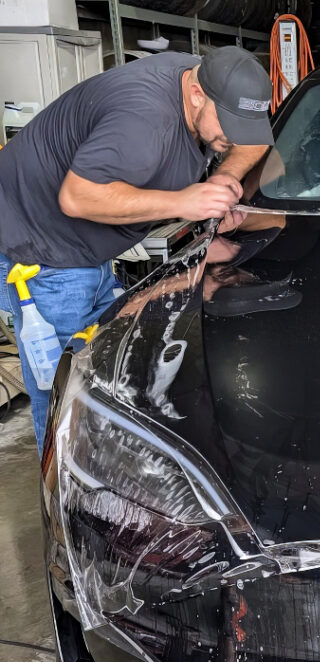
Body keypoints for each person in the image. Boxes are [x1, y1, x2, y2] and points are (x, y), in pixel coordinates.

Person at [0, 46, 274, 452]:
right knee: (65, 394)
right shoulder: (143, 120)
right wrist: (184, 203)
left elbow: (252, 142)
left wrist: (225, 181)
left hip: (86, 251)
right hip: (46, 255)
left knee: (101, 375)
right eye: (229, 125)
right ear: (197, 94)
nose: (232, 137)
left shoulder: (206, 80)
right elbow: (77, 198)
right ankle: (66, 495)